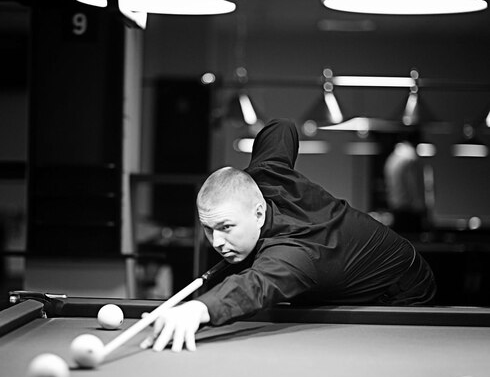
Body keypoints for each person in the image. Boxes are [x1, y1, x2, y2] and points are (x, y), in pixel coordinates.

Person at [142, 118, 436, 353]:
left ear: (258, 213)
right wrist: (251, 176)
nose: (216, 241)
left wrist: (199, 308)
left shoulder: (295, 253)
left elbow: (255, 286)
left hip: (401, 287)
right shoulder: (268, 172)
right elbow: (281, 127)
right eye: (208, 229)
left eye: (226, 227)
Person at [383, 133, 428, 233]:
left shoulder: (393, 157)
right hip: (410, 212)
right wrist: (422, 209)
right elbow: (413, 186)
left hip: (397, 209)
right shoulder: (410, 157)